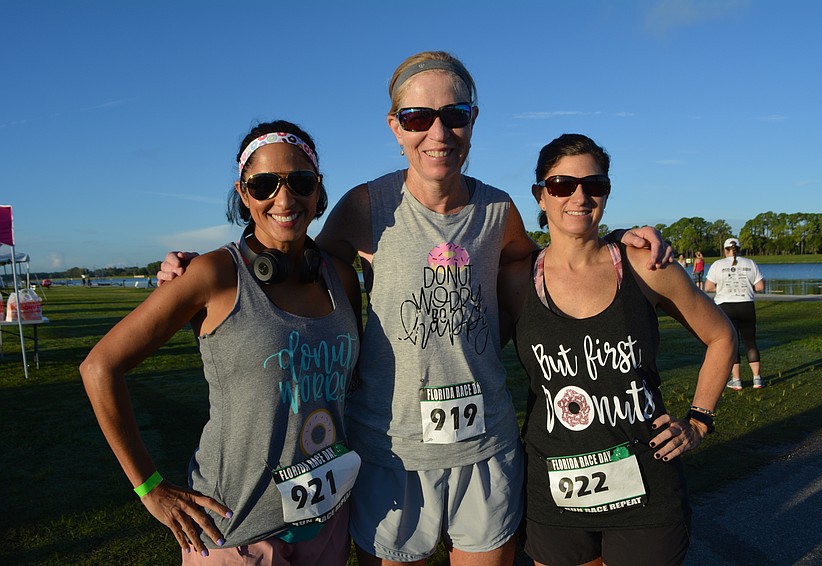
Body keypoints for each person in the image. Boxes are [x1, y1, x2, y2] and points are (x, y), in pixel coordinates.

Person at [158, 51, 670, 565]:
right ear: (395, 128)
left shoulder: (498, 211)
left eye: (455, 115)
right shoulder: (365, 206)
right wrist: (203, 274)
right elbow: (293, 258)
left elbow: (548, 264)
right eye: (418, 118)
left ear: (472, 121)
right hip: (391, 451)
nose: (438, 133)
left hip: (485, 447)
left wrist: (612, 242)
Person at [80, 120, 362, 565]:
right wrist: (150, 489)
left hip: (327, 524)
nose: (284, 199)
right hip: (236, 534)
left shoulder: (339, 278)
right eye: (265, 184)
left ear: (318, 189)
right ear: (244, 193)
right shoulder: (214, 274)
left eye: (300, 182)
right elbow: (99, 367)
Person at [498, 133, 735, 566]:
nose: (580, 196)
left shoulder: (645, 266)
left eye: (595, 185)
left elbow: (722, 336)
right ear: (540, 195)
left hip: (647, 484)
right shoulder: (516, 280)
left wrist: (699, 422)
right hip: (554, 489)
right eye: (561, 185)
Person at [705, 237, 765, 390]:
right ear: (739, 248)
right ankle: (757, 378)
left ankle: (736, 379)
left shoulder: (718, 265)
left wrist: (722, 288)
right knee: (750, 341)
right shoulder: (750, 263)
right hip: (746, 305)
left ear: (725, 250)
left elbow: (708, 287)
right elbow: (760, 286)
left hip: (725, 306)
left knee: (733, 342)